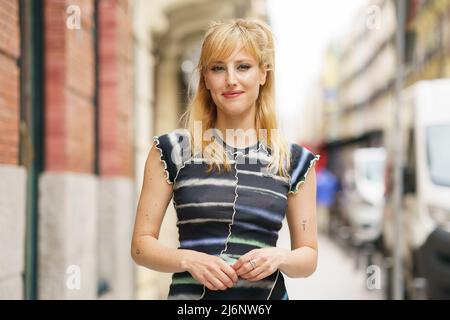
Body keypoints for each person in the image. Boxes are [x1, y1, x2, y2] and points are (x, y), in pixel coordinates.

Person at [131, 18, 320, 300]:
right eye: (218, 68)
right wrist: (189, 260)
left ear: (263, 74)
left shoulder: (293, 160)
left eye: (243, 66)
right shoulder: (172, 150)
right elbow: (140, 247)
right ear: (206, 78)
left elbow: (308, 256)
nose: (231, 79)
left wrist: (279, 257)